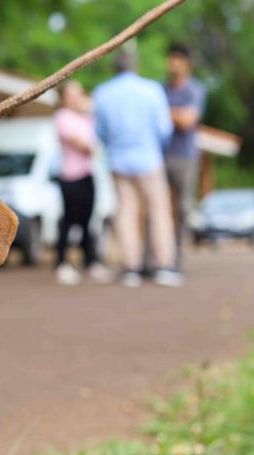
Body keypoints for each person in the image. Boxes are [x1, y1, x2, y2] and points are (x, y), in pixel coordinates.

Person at [93, 49, 182, 288]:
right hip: (149, 159)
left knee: (126, 212)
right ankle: (163, 265)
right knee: (159, 211)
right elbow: (164, 129)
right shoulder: (152, 90)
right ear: (135, 65)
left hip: (118, 161)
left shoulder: (102, 93)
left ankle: (130, 268)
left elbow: (99, 132)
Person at [52, 80, 114, 285]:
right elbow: (86, 145)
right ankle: (61, 263)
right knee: (69, 221)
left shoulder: (86, 118)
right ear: (63, 99)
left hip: (88, 174)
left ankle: (90, 262)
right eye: (72, 95)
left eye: (79, 94)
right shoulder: (62, 118)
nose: (77, 98)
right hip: (71, 177)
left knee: (88, 221)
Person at [164, 43, 206, 269]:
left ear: (187, 63)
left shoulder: (194, 90)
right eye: (171, 58)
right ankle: (155, 258)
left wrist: (167, 112)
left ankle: (177, 259)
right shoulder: (162, 89)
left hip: (185, 157)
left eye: (177, 58)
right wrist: (175, 114)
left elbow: (187, 122)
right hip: (161, 155)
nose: (172, 63)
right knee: (158, 207)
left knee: (182, 207)